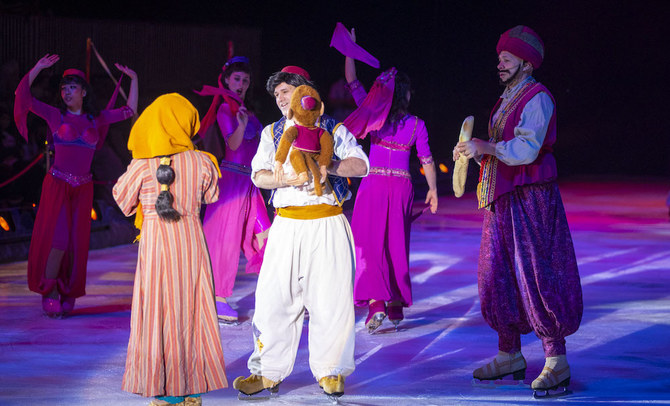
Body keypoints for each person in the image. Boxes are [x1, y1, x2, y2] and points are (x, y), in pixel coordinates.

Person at [453, 26, 583, 397]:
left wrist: (488, 147)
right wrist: (475, 151)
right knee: (497, 273)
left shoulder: (538, 98)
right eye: (499, 58)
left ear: (527, 62)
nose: (500, 64)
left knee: (537, 274)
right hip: (503, 197)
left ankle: (556, 360)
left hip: (531, 198)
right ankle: (509, 353)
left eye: (506, 58)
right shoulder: (508, 97)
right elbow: (498, 147)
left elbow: (526, 150)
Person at [232, 66, 369, 400]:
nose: (280, 98)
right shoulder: (272, 132)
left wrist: (329, 165)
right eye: (276, 93)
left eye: (286, 91)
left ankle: (331, 371)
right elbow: (259, 174)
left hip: (327, 221)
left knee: (331, 299)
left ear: (304, 92)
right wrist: (285, 180)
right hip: (288, 223)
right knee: (273, 299)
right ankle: (266, 372)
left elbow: (361, 165)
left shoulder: (332, 129)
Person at [113, 93, 228, 406]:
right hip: (190, 241)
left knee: (157, 311)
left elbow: (122, 201)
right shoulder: (204, 161)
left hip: (155, 245)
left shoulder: (142, 165)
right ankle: (192, 387)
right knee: (193, 309)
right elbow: (211, 195)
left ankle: (164, 391)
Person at [14, 53, 138, 318]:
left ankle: (68, 291)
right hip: (58, 186)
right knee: (58, 241)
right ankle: (50, 291)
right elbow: (22, 96)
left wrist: (134, 79)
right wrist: (37, 67)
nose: (67, 92)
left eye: (72, 87)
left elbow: (130, 110)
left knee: (75, 243)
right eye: (63, 88)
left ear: (83, 92)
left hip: (83, 189)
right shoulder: (54, 114)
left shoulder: (97, 119)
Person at [343, 28, 438, 334]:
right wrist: (434, 190)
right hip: (401, 188)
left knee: (371, 245)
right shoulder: (416, 124)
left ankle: (376, 305)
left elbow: (352, 81)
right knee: (396, 244)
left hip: (373, 187)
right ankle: (394, 304)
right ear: (405, 94)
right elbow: (426, 161)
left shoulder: (374, 117)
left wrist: (351, 50)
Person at [196, 56, 271, 323]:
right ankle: (218, 297)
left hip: (251, 184)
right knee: (225, 241)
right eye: (237, 79)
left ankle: (276, 294)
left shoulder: (248, 113)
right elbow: (235, 145)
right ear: (226, 80)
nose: (241, 84)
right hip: (230, 184)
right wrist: (240, 125)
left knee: (267, 236)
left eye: (245, 80)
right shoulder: (225, 112)